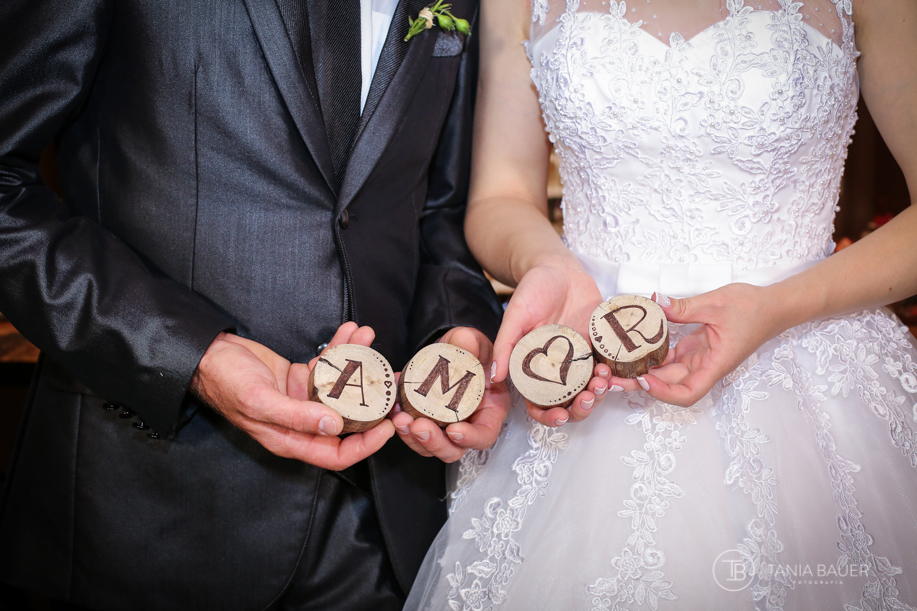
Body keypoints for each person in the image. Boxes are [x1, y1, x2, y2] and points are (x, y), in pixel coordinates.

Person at [0, 0, 518, 609]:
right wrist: (192, 354)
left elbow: (433, 215)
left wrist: (459, 335)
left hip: (387, 521)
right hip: (146, 512)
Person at [404, 0, 917, 608]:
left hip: (809, 359)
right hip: (587, 359)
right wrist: (549, 263)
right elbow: (501, 196)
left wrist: (777, 306)